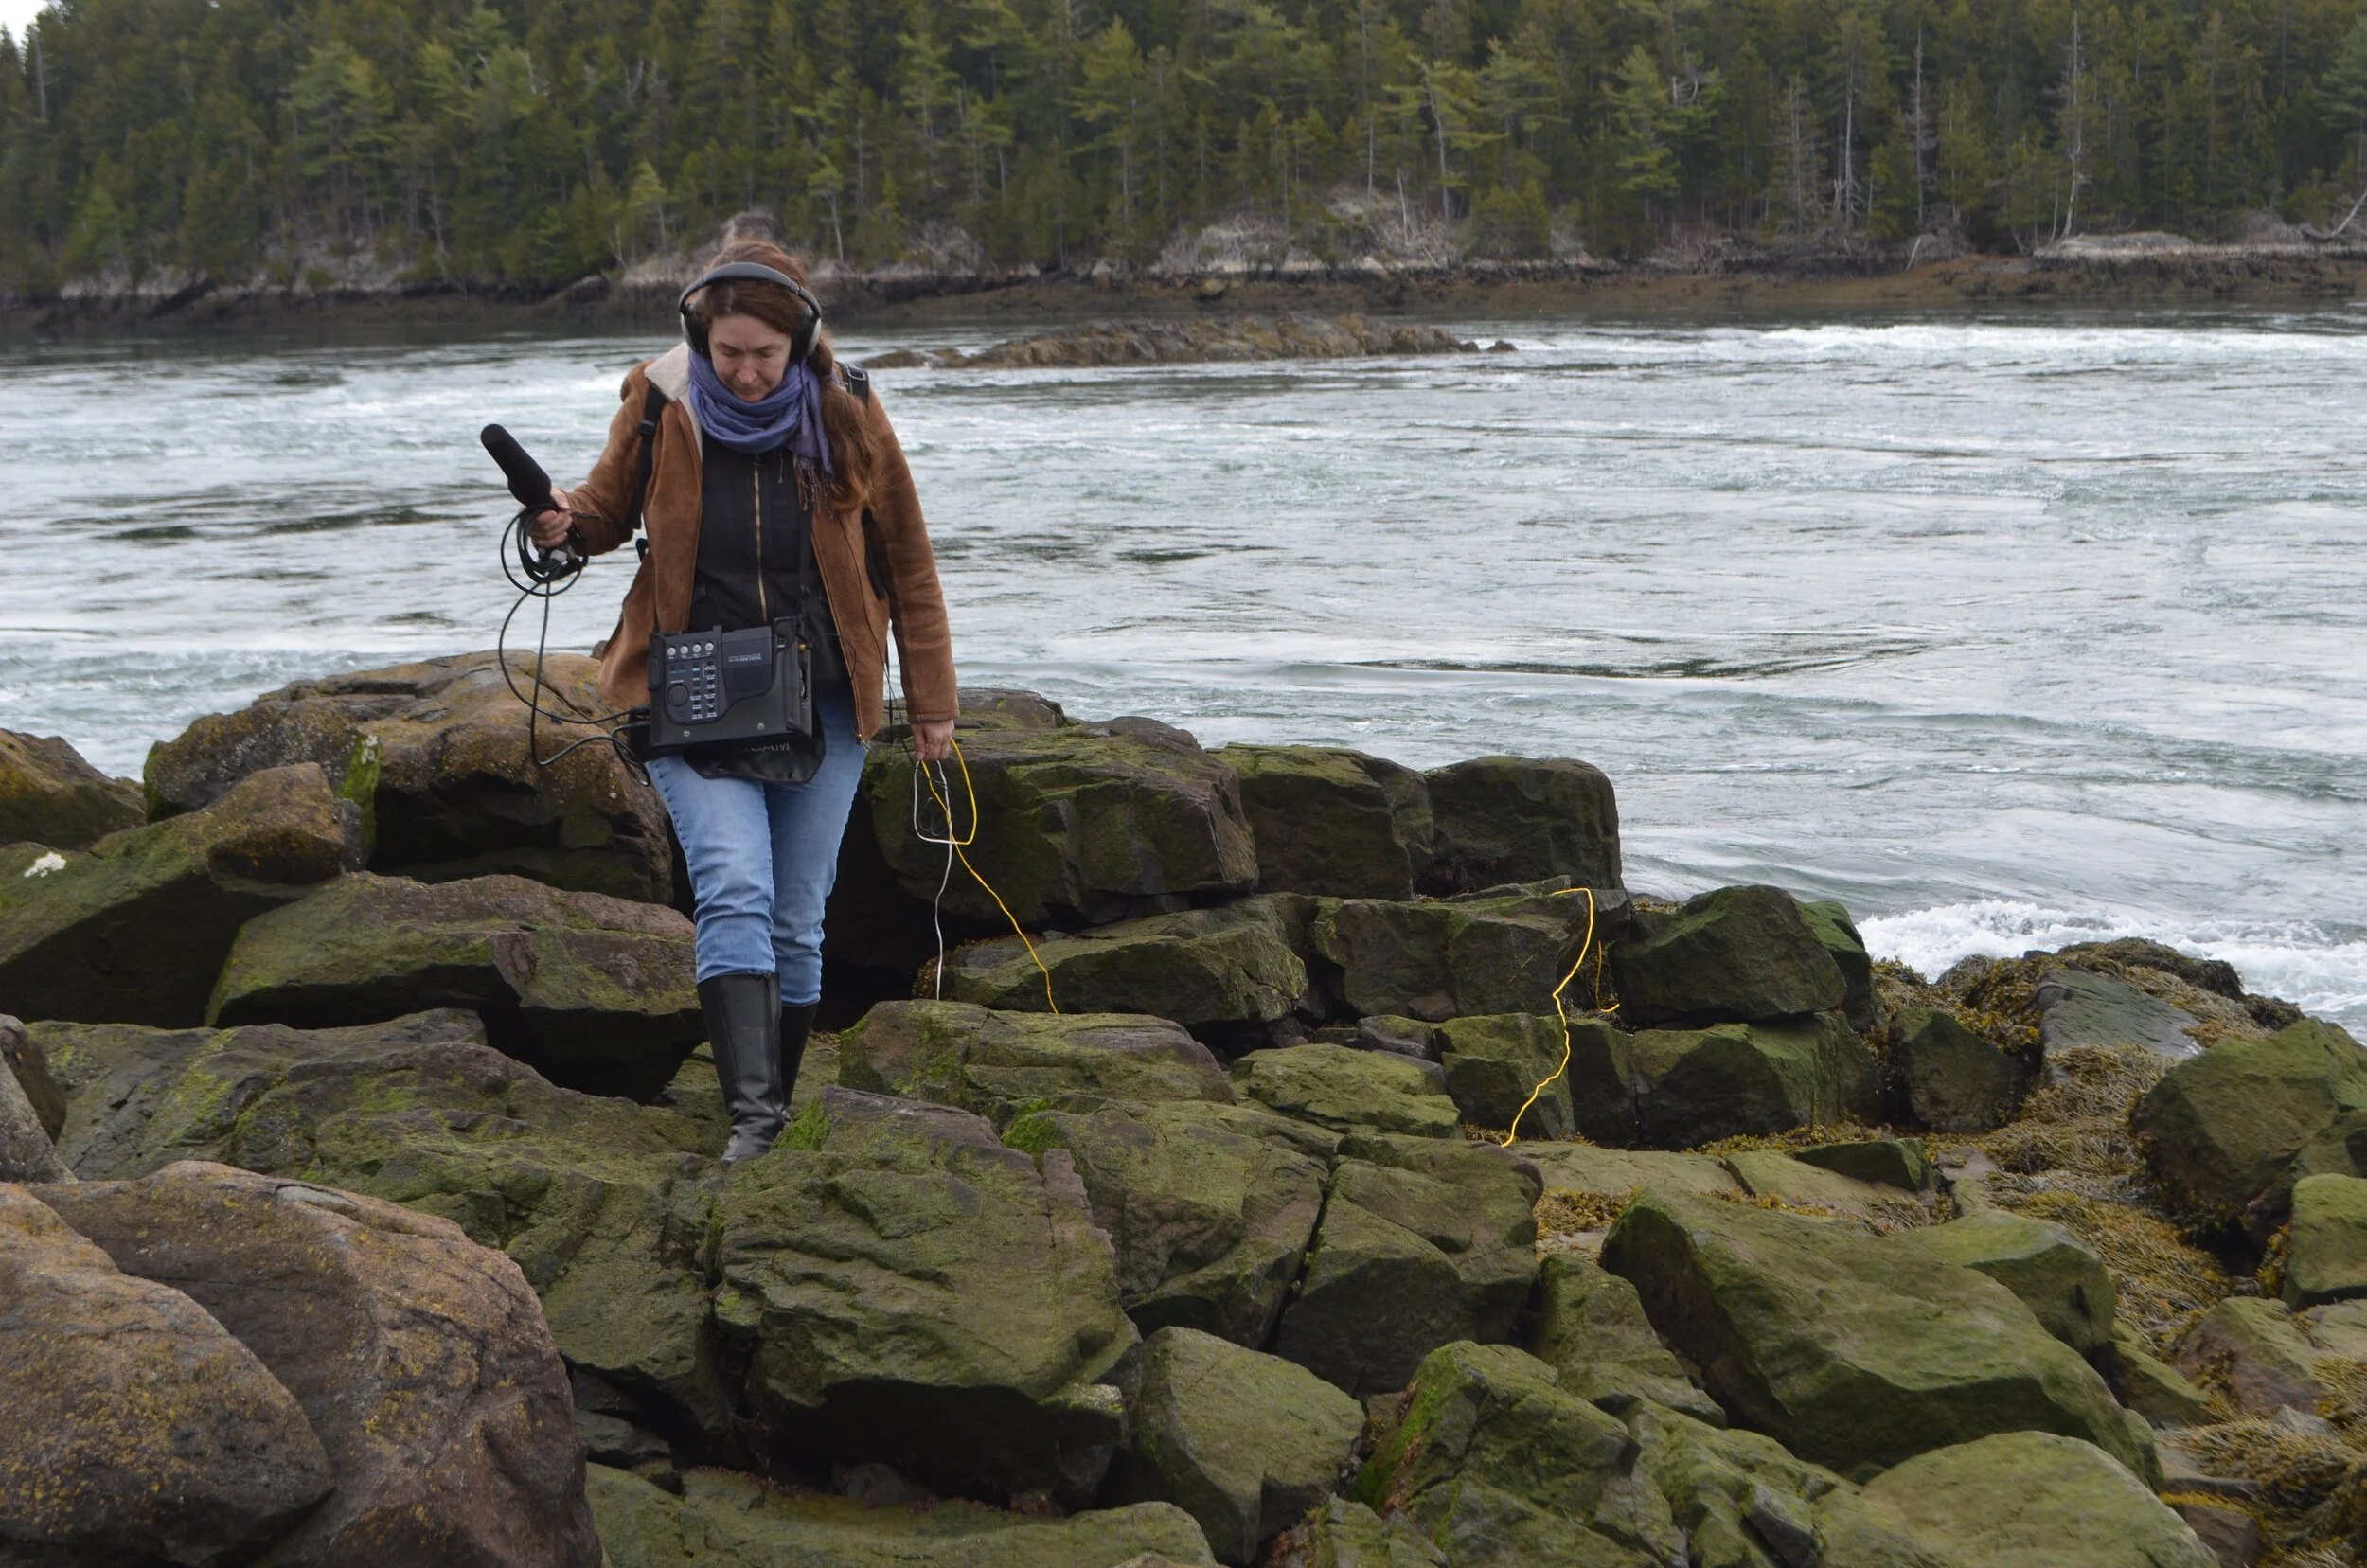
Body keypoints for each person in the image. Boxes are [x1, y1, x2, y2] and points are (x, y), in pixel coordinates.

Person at [529, 238, 956, 1160]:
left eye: (765, 354)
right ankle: (752, 1122)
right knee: (733, 886)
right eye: (728, 354)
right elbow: (603, 514)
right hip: (687, 691)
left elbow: (908, 561)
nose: (747, 372)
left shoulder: (849, 404)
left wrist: (932, 703)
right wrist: (562, 522)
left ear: (800, 339)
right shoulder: (659, 400)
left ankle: (776, 1104)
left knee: (798, 918)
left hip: (828, 697)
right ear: (700, 338)